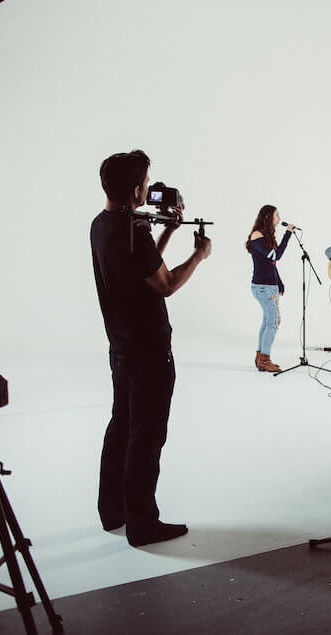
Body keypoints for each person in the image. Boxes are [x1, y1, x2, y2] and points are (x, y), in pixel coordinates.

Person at [91, 149, 211, 547]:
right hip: (148, 352)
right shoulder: (133, 231)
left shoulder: (103, 225)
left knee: (121, 428)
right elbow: (164, 284)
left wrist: (168, 231)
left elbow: (139, 266)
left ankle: (113, 512)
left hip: (121, 349)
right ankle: (143, 523)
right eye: (146, 183)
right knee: (146, 437)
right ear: (136, 189)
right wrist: (198, 254)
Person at [247, 205, 296, 373]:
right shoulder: (257, 235)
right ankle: (265, 360)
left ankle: (261, 358)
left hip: (270, 286)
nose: (279, 219)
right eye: (277, 215)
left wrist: (279, 282)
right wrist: (288, 233)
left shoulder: (266, 236)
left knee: (268, 321)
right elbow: (276, 256)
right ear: (268, 217)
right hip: (262, 287)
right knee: (274, 321)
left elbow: (271, 263)